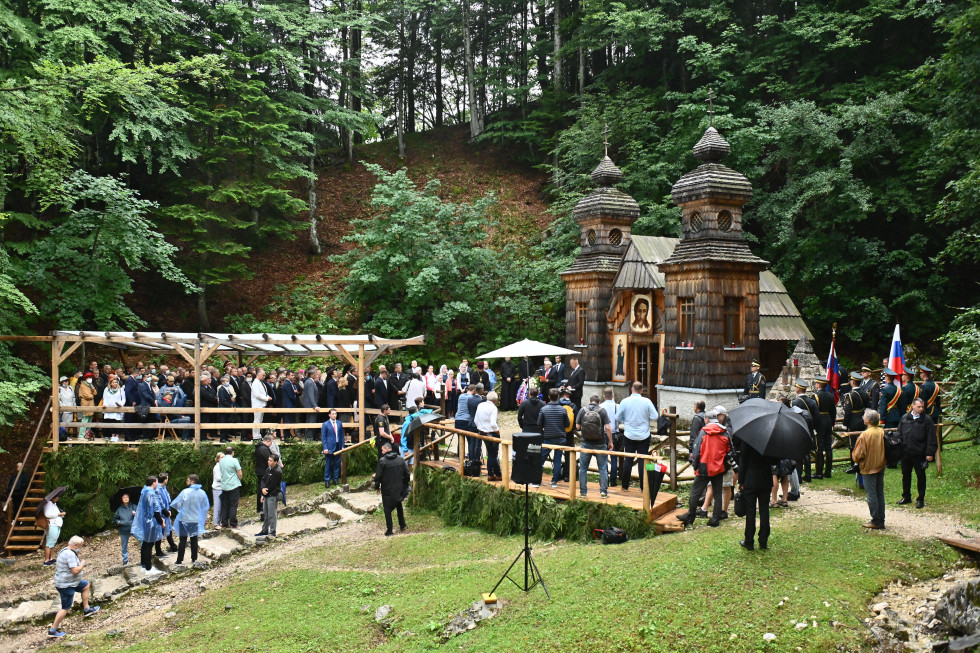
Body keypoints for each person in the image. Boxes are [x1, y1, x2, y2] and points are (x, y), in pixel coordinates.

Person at [678, 410, 732, 526]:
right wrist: (723, 464)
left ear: (706, 419)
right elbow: (730, 452)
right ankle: (715, 519)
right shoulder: (725, 432)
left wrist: (695, 465)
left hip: (703, 466)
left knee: (695, 492)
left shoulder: (703, 432)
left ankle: (690, 516)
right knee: (718, 493)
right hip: (718, 467)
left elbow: (696, 452)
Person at [48, 536, 99, 638]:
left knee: (85, 585)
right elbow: (75, 571)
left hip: (71, 582)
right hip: (66, 585)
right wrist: (82, 564)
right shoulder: (69, 554)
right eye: (80, 546)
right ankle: (53, 630)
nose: (81, 547)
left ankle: (87, 609)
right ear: (75, 545)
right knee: (65, 608)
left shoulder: (65, 550)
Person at [615, 382, 658, 492]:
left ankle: (625, 485)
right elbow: (655, 416)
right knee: (642, 460)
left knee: (628, 460)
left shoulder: (625, 401)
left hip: (629, 434)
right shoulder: (647, 401)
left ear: (631, 389)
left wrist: (626, 420)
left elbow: (617, 417)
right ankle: (644, 487)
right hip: (643, 434)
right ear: (642, 390)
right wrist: (645, 418)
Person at [897, 398, 937, 509]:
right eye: (919, 407)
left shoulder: (927, 420)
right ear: (913, 406)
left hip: (919, 453)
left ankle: (921, 498)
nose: (921, 409)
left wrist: (930, 452)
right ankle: (906, 496)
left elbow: (931, 437)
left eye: (922, 407)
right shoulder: (905, 418)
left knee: (921, 477)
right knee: (906, 476)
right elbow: (899, 433)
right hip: (906, 453)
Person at [737, 436, 776, 551]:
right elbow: (775, 461)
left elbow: (743, 460)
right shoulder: (770, 439)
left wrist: (741, 480)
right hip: (765, 478)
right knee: (764, 511)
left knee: (751, 511)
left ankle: (749, 541)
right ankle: (763, 540)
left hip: (750, 478)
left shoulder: (748, 438)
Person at [852, 409, 886, 529]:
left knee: (871, 494)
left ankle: (876, 520)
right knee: (879, 493)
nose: (863, 418)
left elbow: (858, 455)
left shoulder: (865, 435)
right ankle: (881, 518)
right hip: (880, 464)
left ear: (867, 420)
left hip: (868, 467)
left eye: (864, 417)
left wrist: (856, 459)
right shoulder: (881, 431)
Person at [576, 394, 613, 498]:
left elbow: (577, 426)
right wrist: (610, 442)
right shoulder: (602, 411)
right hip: (600, 443)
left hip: (585, 443)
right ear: (599, 402)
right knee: (602, 468)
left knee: (583, 468)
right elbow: (608, 428)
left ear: (589, 401)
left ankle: (583, 493)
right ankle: (603, 492)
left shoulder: (582, 410)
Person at [171, 474, 210, 565]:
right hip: (195, 519)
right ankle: (194, 559)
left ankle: (179, 560)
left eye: (187, 480)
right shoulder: (202, 493)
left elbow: (177, 503)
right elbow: (205, 506)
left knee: (183, 540)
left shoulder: (185, 492)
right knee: (194, 539)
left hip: (184, 519)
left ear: (192, 481)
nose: (186, 482)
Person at [374, 442, 410, 536]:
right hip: (399, 487)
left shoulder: (382, 461)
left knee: (387, 509)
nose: (382, 452)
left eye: (382, 450)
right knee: (399, 505)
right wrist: (405, 483)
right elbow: (407, 473)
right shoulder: (400, 459)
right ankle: (402, 525)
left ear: (386, 449)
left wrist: (377, 486)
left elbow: (378, 476)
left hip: (387, 489)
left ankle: (389, 529)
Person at [536, 388, 570, 488]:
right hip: (560, 438)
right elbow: (567, 424)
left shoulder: (544, 409)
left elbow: (539, 424)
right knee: (558, 460)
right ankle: (554, 481)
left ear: (549, 397)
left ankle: (537, 479)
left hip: (548, 437)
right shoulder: (563, 409)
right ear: (558, 397)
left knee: (541, 458)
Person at [132, 476, 165, 576]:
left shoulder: (144, 492)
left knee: (145, 543)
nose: (157, 484)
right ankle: (148, 567)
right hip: (151, 522)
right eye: (156, 482)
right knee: (149, 545)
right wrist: (161, 522)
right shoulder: (151, 493)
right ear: (154, 483)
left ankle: (144, 565)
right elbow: (156, 510)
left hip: (145, 521)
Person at [843, 372, 871, 474]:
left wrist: (845, 423)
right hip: (863, 420)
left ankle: (854, 465)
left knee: (853, 444)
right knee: (863, 443)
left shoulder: (850, 395)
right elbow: (869, 407)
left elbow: (848, 411)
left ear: (853, 382)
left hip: (853, 422)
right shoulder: (864, 393)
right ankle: (863, 464)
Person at [791, 381, 817, 482]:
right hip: (809, 429)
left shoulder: (795, 402)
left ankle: (799, 476)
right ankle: (808, 474)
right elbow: (816, 417)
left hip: (799, 429)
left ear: (799, 389)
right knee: (807, 453)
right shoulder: (812, 402)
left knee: (798, 454)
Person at [473, 391, 502, 481]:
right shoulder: (493, 408)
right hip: (491, 432)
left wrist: (480, 428)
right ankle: (491, 474)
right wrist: (497, 431)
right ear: (495, 400)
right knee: (493, 454)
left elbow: (475, 420)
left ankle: (497, 474)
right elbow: (493, 423)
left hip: (482, 431)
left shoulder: (480, 405)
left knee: (491, 453)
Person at [812, 378, 835, 478]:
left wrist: (813, 424)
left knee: (819, 448)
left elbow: (814, 412)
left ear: (819, 385)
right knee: (828, 447)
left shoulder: (816, 396)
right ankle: (828, 471)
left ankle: (819, 472)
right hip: (828, 421)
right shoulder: (830, 395)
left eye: (817, 383)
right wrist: (832, 423)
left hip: (820, 422)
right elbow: (833, 411)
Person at [256, 454, 283, 537]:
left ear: (275, 462)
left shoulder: (277, 471)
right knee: (265, 513)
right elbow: (263, 480)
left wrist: (265, 490)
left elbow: (273, 484)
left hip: (272, 494)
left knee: (272, 514)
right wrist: (263, 490)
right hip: (266, 494)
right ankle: (264, 529)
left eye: (270, 460)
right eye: (268, 460)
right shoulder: (268, 469)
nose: (268, 462)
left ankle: (272, 531)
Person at [600, 388, 621, 483]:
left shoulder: (600, 406)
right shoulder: (617, 406)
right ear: (613, 395)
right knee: (614, 457)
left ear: (604, 396)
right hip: (614, 433)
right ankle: (613, 480)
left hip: (603, 433)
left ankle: (605, 479)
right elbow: (621, 420)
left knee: (603, 457)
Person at [218, 446, 243, 528]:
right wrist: (239, 480)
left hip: (224, 485)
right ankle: (233, 523)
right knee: (233, 505)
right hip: (233, 485)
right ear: (233, 452)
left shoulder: (221, 461)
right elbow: (239, 472)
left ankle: (224, 522)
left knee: (225, 505)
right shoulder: (234, 460)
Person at [321, 408, 346, 487]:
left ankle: (336, 479)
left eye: (335, 414)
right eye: (333, 414)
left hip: (338, 445)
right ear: (329, 415)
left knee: (337, 463)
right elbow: (323, 437)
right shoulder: (325, 424)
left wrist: (342, 446)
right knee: (328, 464)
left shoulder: (339, 423)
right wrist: (325, 448)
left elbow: (342, 435)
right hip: (329, 446)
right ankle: (327, 480)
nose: (334, 415)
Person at [155, 473, 177, 555]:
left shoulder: (164, 488)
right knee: (160, 532)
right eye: (167, 478)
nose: (168, 479)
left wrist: (169, 510)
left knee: (169, 530)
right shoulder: (158, 490)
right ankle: (158, 551)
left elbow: (167, 500)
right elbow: (160, 503)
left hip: (167, 512)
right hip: (161, 514)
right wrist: (166, 512)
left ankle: (173, 546)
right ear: (165, 480)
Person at [42, 494, 66, 565]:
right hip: (52, 525)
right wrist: (59, 514)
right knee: (49, 543)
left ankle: (51, 557)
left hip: (57, 525)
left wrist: (61, 514)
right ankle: (46, 560)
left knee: (53, 542)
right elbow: (47, 514)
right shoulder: (48, 503)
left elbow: (56, 514)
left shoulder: (54, 504)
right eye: (56, 497)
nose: (57, 498)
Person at [253, 434, 274, 513]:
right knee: (264, 489)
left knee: (261, 489)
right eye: (271, 442)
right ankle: (262, 508)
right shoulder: (264, 449)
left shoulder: (259, 447)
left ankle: (260, 507)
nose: (271, 444)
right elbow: (269, 460)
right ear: (268, 441)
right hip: (264, 472)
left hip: (260, 471)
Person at [251, 369, 271, 440]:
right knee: (256, 420)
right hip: (257, 404)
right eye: (263, 375)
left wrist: (267, 397)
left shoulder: (261, 382)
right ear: (258, 375)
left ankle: (258, 434)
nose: (264, 376)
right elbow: (257, 395)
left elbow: (263, 392)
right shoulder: (255, 383)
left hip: (262, 404)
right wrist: (266, 398)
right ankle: (255, 436)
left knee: (260, 420)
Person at [77, 372, 97, 440]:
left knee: (90, 419)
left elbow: (95, 392)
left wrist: (92, 386)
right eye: (89, 378)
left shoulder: (90, 385)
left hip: (91, 404)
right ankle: (81, 435)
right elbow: (86, 395)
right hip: (85, 404)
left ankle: (87, 434)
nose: (90, 379)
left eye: (91, 378)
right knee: (85, 419)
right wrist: (92, 396)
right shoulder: (83, 385)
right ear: (86, 378)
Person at [211, 452, 224, 528]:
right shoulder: (217, 467)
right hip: (217, 489)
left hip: (223, 488)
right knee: (217, 506)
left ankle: (222, 521)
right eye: (222, 457)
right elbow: (218, 478)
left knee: (223, 506)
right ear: (218, 459)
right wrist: (227, 478)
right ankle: (216, 523)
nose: (223, 458)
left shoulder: (223, 466)